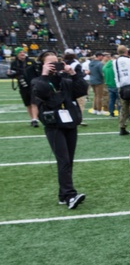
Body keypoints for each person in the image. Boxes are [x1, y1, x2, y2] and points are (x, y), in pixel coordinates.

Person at [31, 51, 87, 209]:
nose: (55, 66)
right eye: (50, 63)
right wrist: (44, 74)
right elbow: (40, 93)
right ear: (42, 65)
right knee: (63, 160)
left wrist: (73, 73)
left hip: (69, 123)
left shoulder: (65, 79)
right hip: (54, 125)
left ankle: (63, 195)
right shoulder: (38, 80)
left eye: (57, 62)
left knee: (68, 160)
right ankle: (70, 195)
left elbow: (82, 90)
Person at [10, 46, 40, 127]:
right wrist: (11, 74)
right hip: (23, 85)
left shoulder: (31, 61)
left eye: (23, 52)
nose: (22, 53)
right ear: (17, 54)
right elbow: (12, 74)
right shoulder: (14, 63)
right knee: (28, 103)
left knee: (34, 102)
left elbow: (37, 72)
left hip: (33, 84)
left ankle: (35, 119)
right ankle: (32, 119)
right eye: (20, 52)